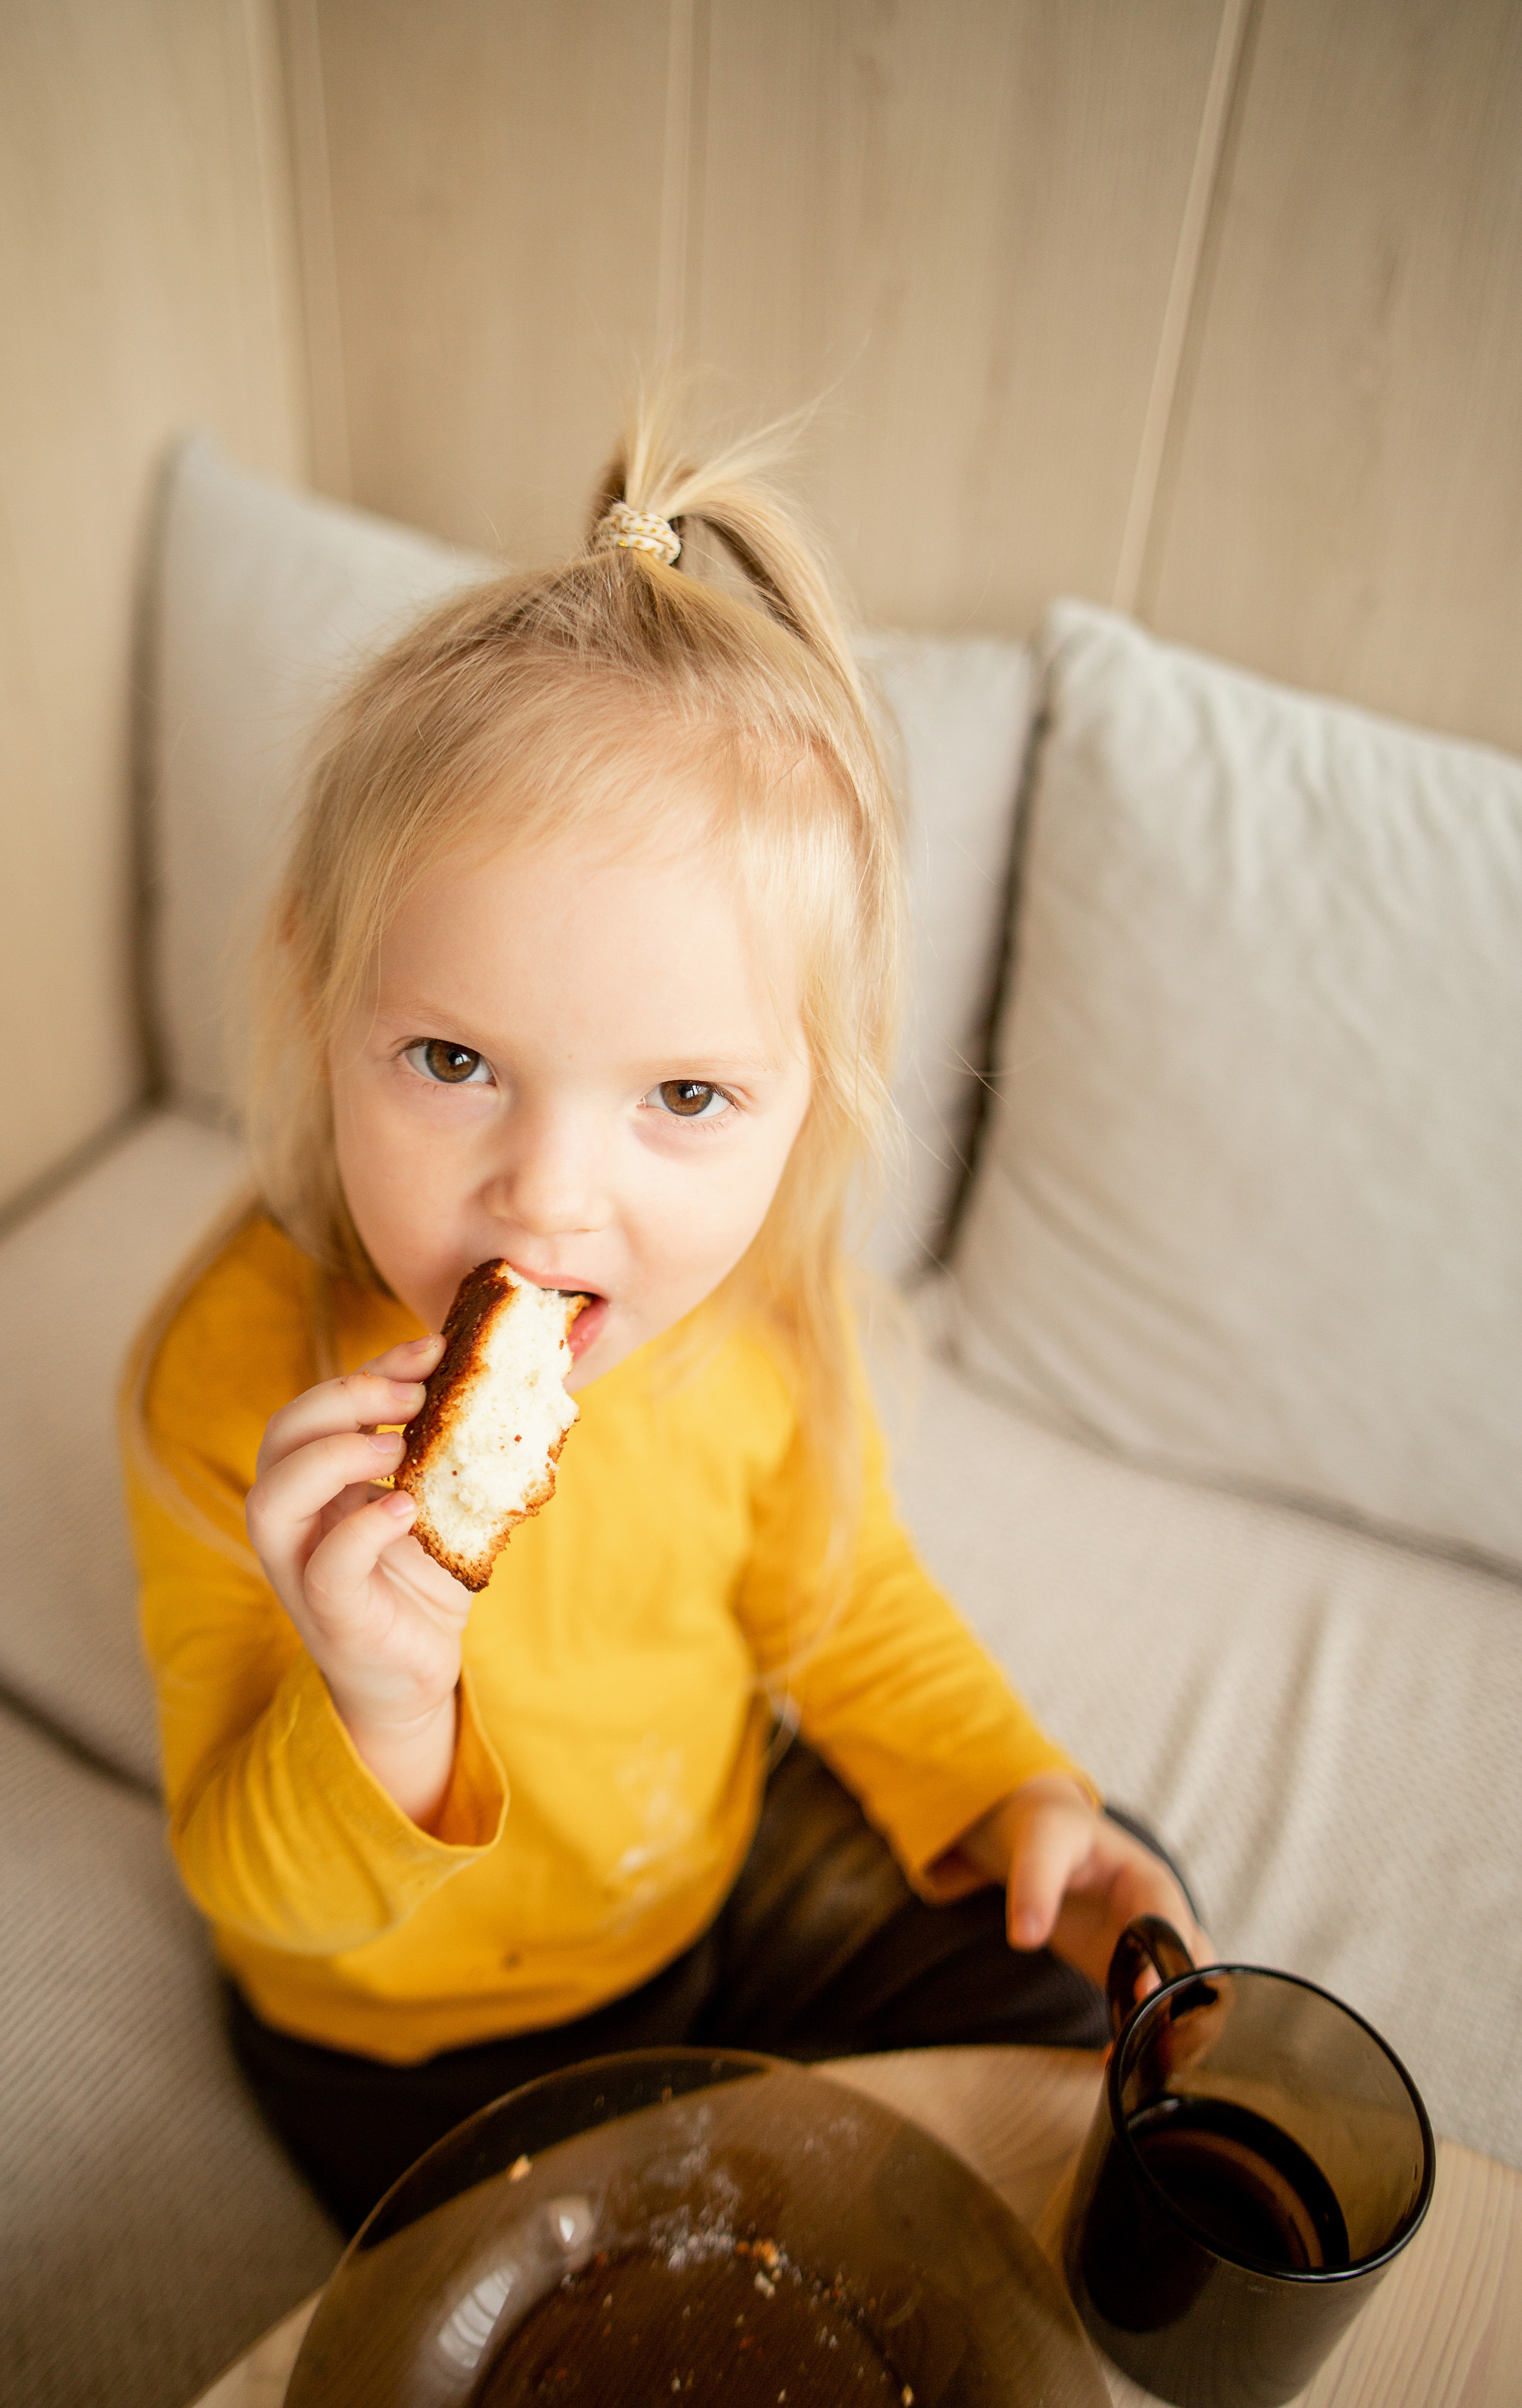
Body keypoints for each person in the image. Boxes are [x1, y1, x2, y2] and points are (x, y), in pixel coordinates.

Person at [125, 405, 1208, 2236]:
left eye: (684, 1099)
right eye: (455, 1061)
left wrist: (1014, 1779)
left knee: (1099, 1934)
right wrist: (377, 1701)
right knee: (618, 2298)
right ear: (322, 997)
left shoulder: (766, 1323)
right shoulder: (235, 1383)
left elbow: (843, 1606)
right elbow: (254, 1886)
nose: (551, 1200)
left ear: (811, 1095)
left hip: (700, 1879)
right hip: (409, 2039)